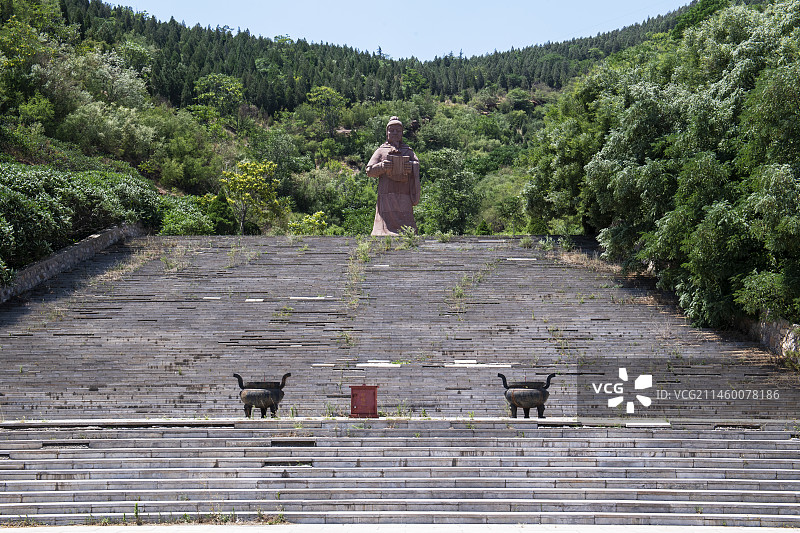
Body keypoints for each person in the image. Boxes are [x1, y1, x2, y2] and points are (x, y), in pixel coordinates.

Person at [365, 116, 421, 236]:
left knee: (406, 223)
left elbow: (417, 165)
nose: (395, 133)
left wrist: (411, 166)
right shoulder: (381, 151)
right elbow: (369, 171)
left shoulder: (408, 151)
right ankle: (383, 231)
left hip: (404, 194)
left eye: (398, 130)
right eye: (392, 130)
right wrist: (382, 167)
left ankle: (408, 233)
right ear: (387, 133)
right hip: (386, 195)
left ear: (402, 133)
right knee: (385, 222)